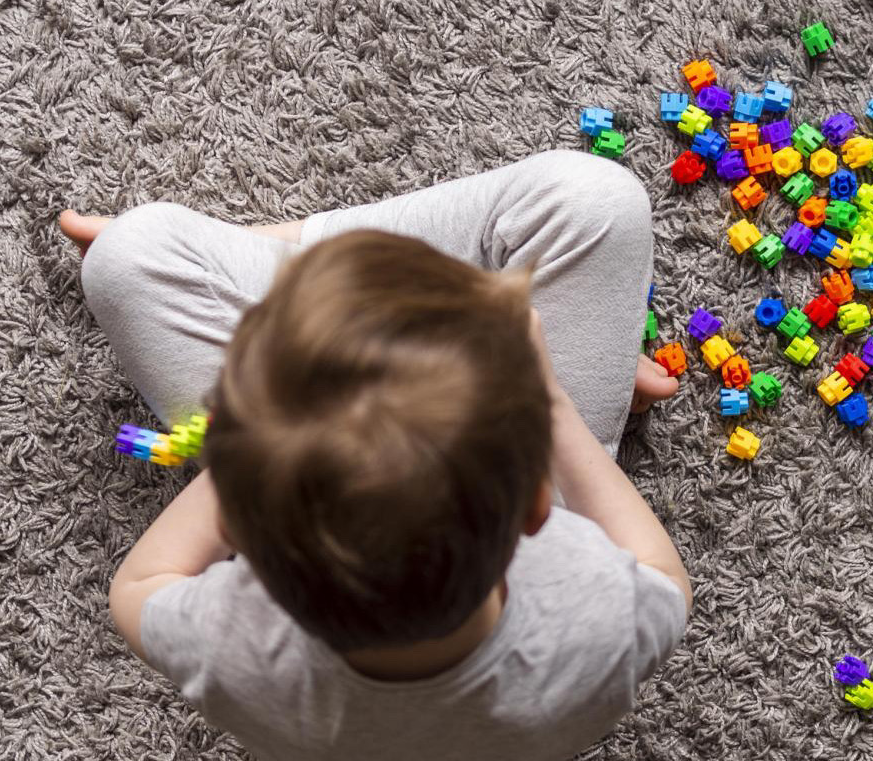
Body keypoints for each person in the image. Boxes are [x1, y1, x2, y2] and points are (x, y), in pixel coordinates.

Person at [61, 149, 691, 761]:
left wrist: (244, 444)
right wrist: (554, 400)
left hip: (344, 457)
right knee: (597, 199)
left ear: (236, 531)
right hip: (535, 462)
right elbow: (664, 575)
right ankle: (378, 295)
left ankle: (295, 267)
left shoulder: (238, 648)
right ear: (532, 507)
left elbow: (138, 586)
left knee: (125, 258)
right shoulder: (596, 628)